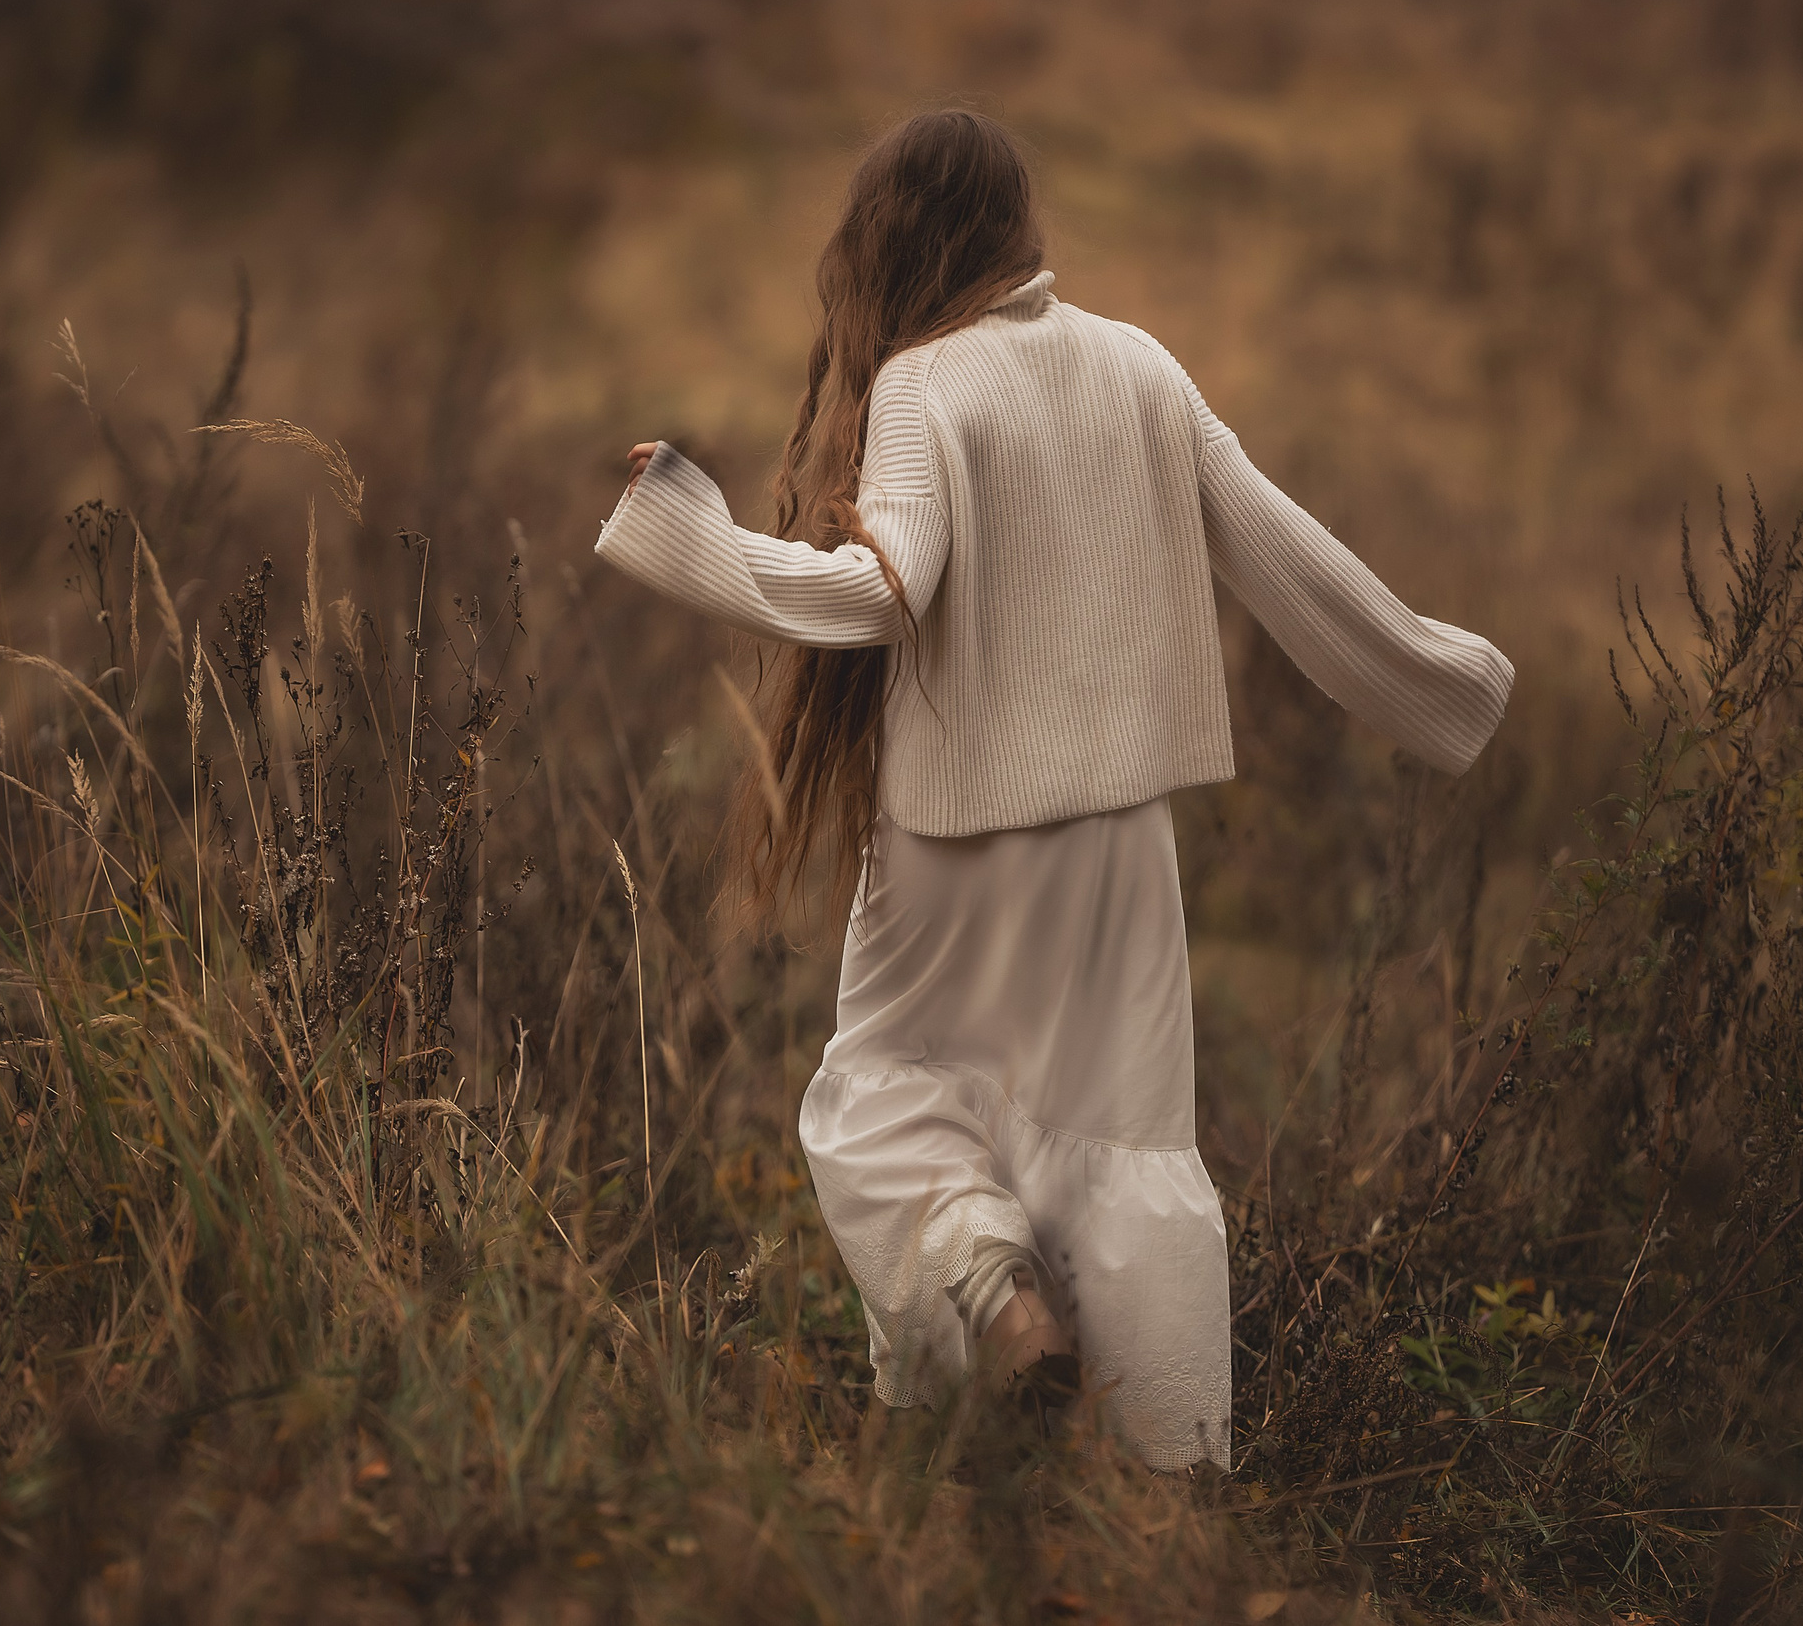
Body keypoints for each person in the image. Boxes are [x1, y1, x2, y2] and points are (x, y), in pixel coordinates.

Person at [592, 108, 1512, 1470]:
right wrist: (1443, 677)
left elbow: (879, 594)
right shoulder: (1142, 365)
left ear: (893, 240)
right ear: (1014, 229)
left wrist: (693, 531)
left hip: (954, 843)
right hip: (1120, 845)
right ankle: (1165, 1460)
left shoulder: (924, 385)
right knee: (1118, 1136)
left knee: (880, 1093)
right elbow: (1285, 553)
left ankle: (991, 1297)